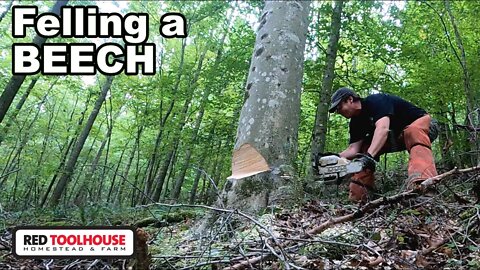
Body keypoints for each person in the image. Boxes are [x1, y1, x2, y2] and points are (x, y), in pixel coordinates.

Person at [327, 87, 438, 202]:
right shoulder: (355, 123)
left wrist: (369, 157)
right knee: (364, 148)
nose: (338, 112)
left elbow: (382, 129)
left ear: (350, 99)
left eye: (339, 107)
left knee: (412, 131)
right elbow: (353, 149)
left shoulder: (375, 101)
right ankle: (360, 197)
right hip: (397, 136)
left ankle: (425, 187)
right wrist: (334, 158)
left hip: (425, 125)